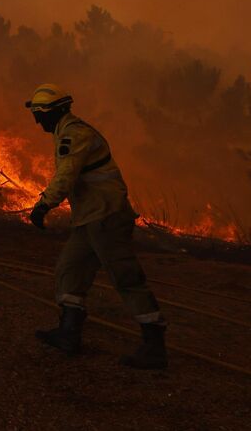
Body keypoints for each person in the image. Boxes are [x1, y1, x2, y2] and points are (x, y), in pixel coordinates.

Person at [26, 83, 167, 369]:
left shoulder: (74, 135)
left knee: (125, 277)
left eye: (39, 113)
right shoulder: (65, 132)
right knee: (70, 269)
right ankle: (69, 334)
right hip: (89, 219)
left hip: (106, 217)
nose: (37, 120)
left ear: (52, 113)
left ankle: (154, 345)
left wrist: (44, 204)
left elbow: (66, 173)